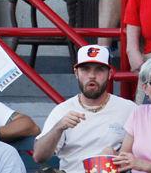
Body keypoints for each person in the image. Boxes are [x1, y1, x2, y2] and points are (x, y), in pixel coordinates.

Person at [33, 45, 136, 173]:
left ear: (109, 74)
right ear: (76, 73)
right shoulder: (62, 110)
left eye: (99, 70)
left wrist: (119, 156)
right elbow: (38, 156)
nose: (92, 75)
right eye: (85, 69)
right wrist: (58, 127)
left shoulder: (129, 109)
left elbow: (146, 153)